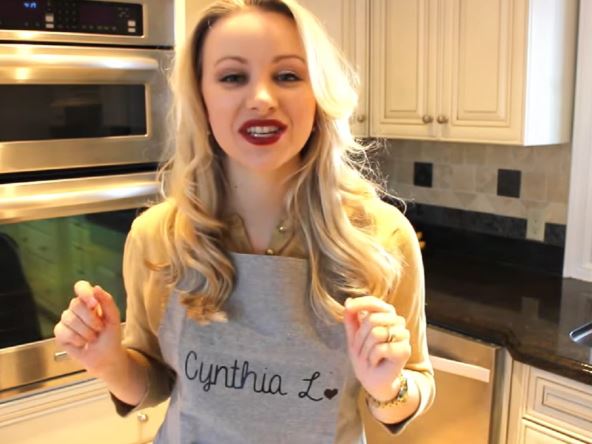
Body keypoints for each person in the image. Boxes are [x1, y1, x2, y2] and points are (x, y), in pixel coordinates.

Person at [53, 0, 435, 442]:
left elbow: (416, 382)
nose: (261, 99)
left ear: (318, 94)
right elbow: (155, 382)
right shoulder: (157, 236)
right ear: (202, 98)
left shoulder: (382, 236)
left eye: (288, 75)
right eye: (233, 77)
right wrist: (108, 362)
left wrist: (389, 386)